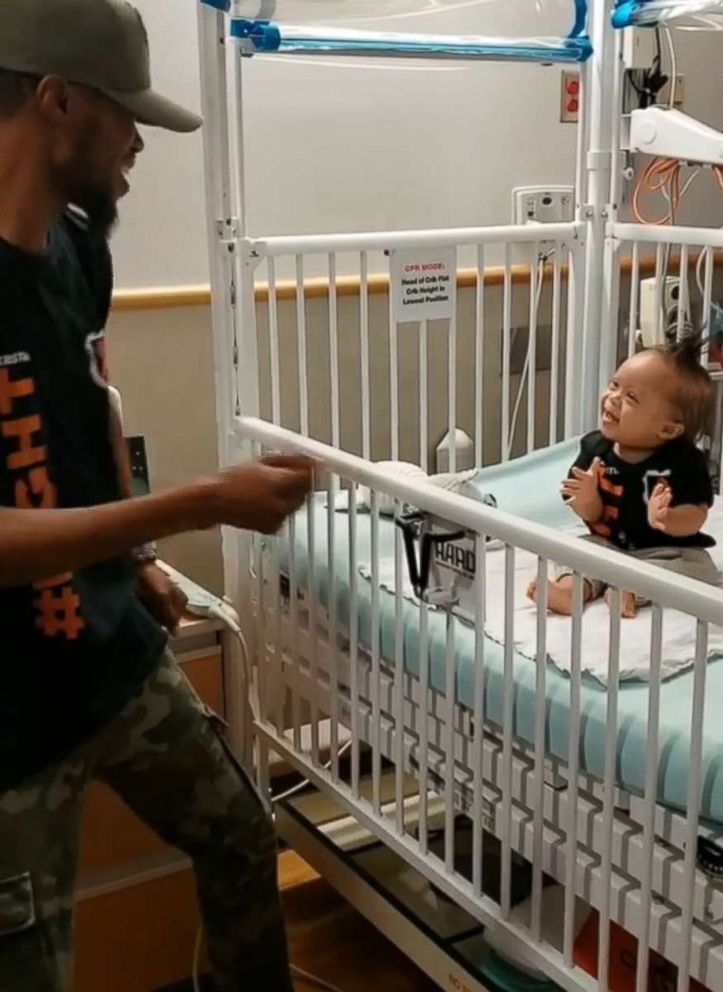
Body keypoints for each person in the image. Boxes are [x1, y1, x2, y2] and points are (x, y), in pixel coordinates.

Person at [0, 1, 309, 989]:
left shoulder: (78, 247)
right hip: (10, 720)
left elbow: (95, 402)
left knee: (242, 838)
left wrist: (132, 561)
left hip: (111, 656)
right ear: (55, 102)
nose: (140, 138)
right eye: (122, 111)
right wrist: (196, 502)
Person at [529, 337, 718, 618]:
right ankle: (572, 591)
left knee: (699, 568)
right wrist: (587, 500)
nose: (613, 398)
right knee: (572, 548)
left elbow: (697, 514)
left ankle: (629, 590)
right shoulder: (595, 449)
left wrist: (668, 519)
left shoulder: (684, 462)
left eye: (631, 397)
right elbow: (592, 514)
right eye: (615, 385)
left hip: (663, 550)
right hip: (608, 545)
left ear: (667, 430)